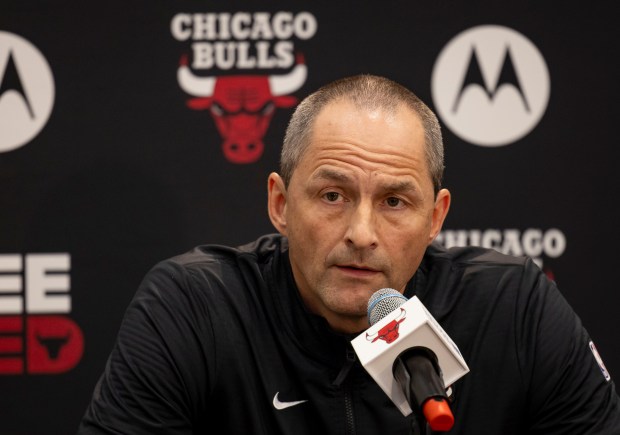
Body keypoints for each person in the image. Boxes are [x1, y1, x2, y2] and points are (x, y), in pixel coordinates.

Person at [76, 74, 620, 434]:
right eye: (333, 195)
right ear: (281, 202)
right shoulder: (195, 308)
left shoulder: (514, 308)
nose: (362, 233)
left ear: (436, 217)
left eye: (395, 201)